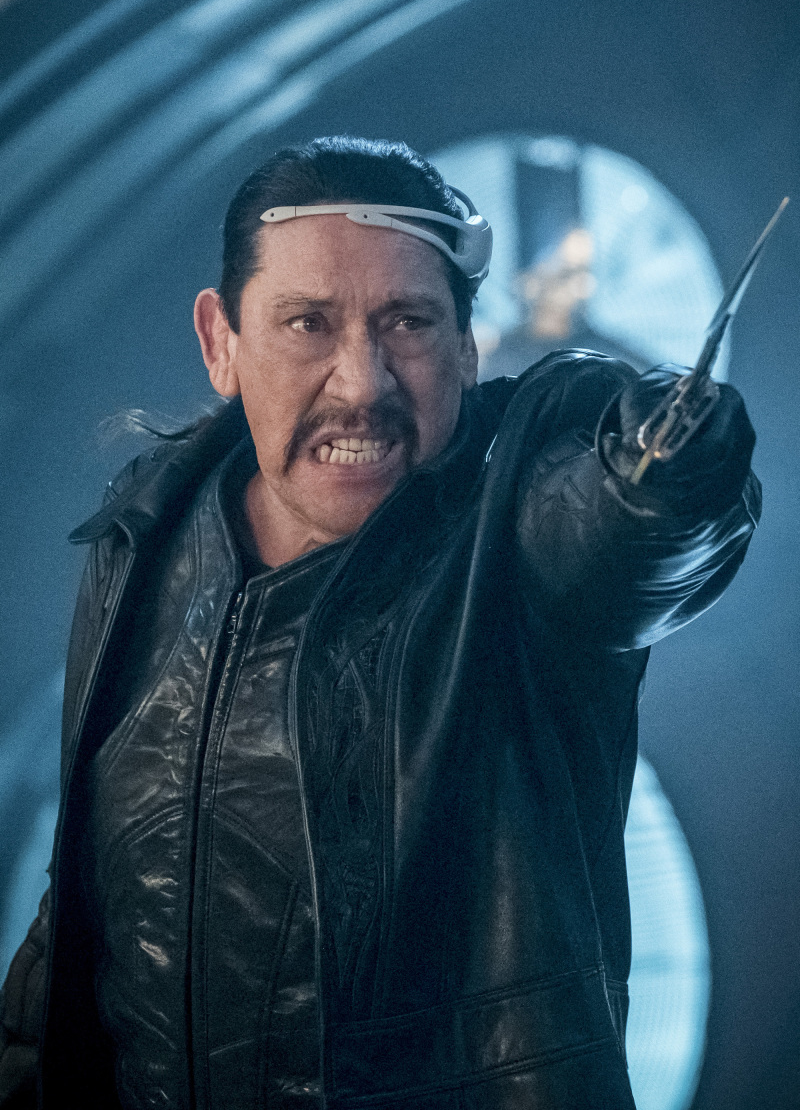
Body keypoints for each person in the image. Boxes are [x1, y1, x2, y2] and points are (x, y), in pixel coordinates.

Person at [0, 136, 759, 1110]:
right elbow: (89, 898)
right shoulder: (145, 537)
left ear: (465, 348)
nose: (361, 383)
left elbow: (625, 529)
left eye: (406, 321)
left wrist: (669, 465)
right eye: (307, 322)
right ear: (221, 342)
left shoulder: (515, 544)